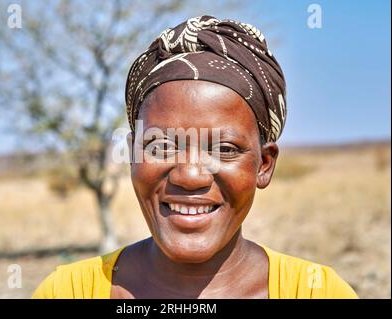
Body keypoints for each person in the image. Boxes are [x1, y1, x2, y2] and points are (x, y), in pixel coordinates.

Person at [32, 16, 358, 299]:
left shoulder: (318, 290)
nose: (190, 176)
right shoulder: (69, 291)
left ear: (264, 164)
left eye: (224, 149)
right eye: (161, 146)